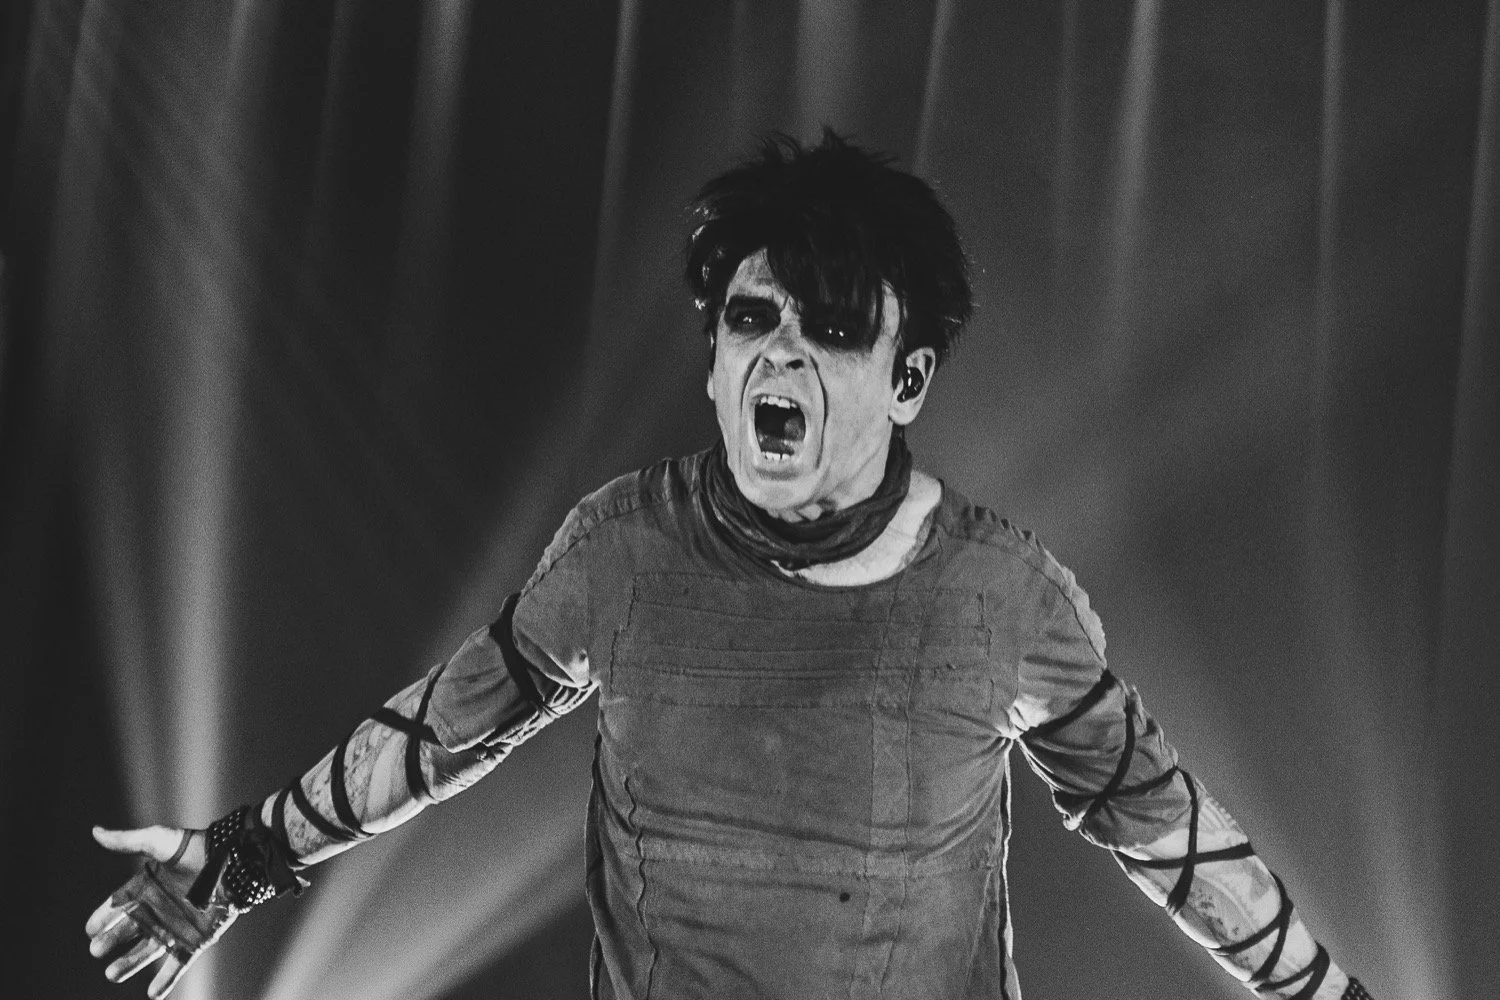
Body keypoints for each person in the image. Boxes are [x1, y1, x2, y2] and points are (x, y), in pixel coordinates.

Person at [85, 131, 1371, 1000]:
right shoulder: (623, 553)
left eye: (834, 328)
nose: (780, 354)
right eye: (752, 318)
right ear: (712, 358)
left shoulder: (1003, 598)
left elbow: (1164, 826)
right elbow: (439, 731)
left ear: (908, 379)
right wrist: (238, 859)